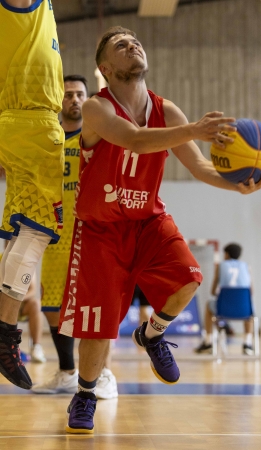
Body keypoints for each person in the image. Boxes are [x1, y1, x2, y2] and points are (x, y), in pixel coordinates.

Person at [58, 26, 261, 434]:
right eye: (121, 45)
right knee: (99, 326)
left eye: (135, 41)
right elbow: (134, 140)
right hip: (101, 228)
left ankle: (152, 335)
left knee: (189, 279)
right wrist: (194, 129)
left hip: (149, 221)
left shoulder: (167, 110)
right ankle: (86, 393)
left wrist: (240, 185)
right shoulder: (96, 109)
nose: (133, 45)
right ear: (105, 66)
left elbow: (200, 168)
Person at [31, 75, 118, 399]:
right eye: (68, 94)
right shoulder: (49, 140)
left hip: (92, 231)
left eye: (80, 94)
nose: (75, 99)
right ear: (59, 100)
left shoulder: (98, 135)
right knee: (53, 308)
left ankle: (104, 374)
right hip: (56, 233)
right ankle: (67, 372)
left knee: (94, 308)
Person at [0, 0, 64, 390]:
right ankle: (5, 335)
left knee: (20, 232)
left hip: (22, 121)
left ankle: (4, 333)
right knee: (38, 231)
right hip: (33, 121)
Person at [194, 243, 254, 356]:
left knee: (209, 304)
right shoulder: (246, 266)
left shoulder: (220, 266)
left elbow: (213, 291)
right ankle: (248, 343)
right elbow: (251, 291)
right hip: (243, 310)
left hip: (223, 309)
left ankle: (208, 341)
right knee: (250, 308)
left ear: (226, 254)